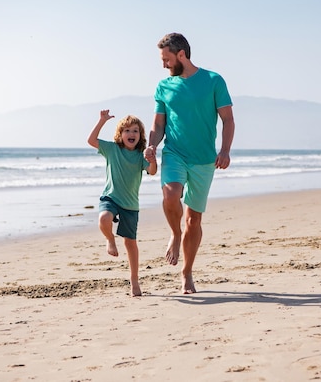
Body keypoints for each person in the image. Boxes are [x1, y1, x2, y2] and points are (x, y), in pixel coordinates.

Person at [144, 33, 235, 294]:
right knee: (170, 194)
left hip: (204, 159)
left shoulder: (213, 81)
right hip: (174, 152)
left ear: (181, 55)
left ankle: (187, 273)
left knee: (194, 220)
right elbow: (158, 124)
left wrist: (225, 150)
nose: (163, 65)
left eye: (166, 59)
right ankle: (174, 233)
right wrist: (152, 145)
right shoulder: (164, 86)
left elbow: (228, 119)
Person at [88, 109, 158, 296]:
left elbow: (152, 172)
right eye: (127, 130)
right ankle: (110, 240)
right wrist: (102, 120)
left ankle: (134, 280)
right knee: (104, 219)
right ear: (120, 134)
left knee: (130, 243)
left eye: (135, 130)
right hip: (110, 197)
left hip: (130, 205)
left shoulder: (140, 155)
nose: (131, 134)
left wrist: (152, 159)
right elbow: (91, 140)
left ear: (140, 135)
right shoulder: (112, 149)